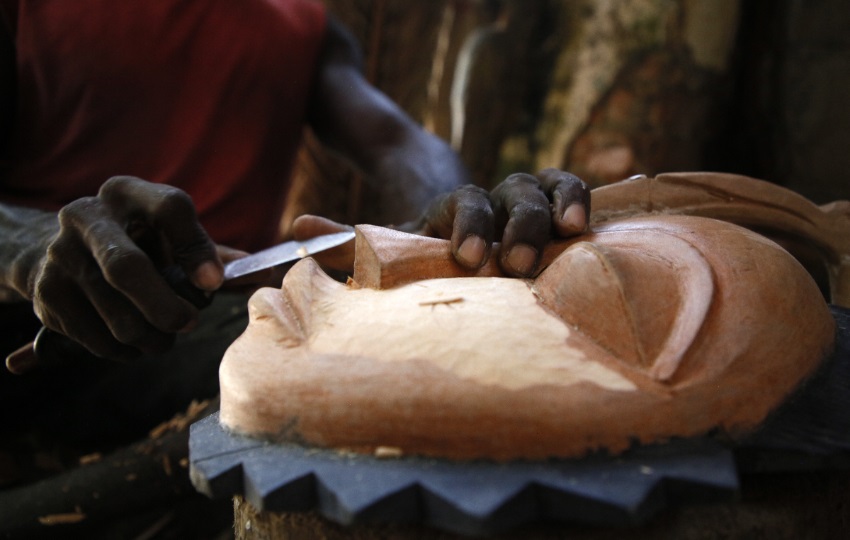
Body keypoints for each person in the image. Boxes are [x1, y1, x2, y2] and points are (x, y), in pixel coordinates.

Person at [0, 1, 589, 533]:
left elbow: (392, 140)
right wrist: (29, 241)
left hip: (216, 322)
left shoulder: (300, 20)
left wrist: (456, 220)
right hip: (36, 330)